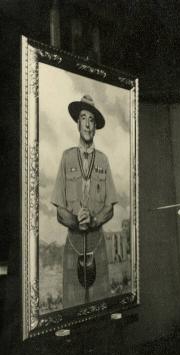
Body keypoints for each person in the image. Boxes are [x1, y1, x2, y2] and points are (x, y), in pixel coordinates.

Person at [51, 95, 118, 308]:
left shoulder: (103, 160)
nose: (88, 124)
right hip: (74, 243)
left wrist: (94, 220)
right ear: (77, 123)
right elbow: (60, 210)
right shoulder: (66, 157)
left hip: (98, 242)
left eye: (92, 120)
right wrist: (76, 222)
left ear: (96, 126)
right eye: (83, 118)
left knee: (101, 307)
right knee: (72, 308)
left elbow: (109, 208)